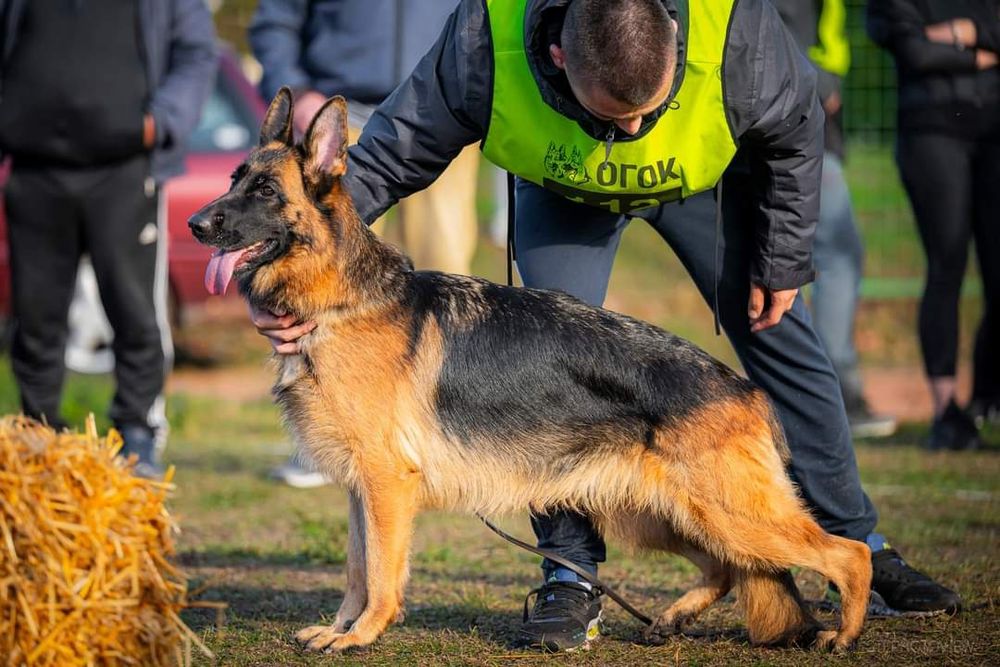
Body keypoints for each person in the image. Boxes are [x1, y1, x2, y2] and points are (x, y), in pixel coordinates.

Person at [251, 0, 963, 650]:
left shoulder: (735, 33)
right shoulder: (483, 37)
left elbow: (797, 126)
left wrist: (781, 257)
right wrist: (302, 282)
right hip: (566, 186)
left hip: (703, 186)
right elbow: (382, 158)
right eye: (614, 114)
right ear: (558, 57)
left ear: (675, 45)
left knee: (782, 335)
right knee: (540, 374)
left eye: (646, 110)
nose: (630, 131)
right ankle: (570, 576)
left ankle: (859, 537)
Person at [249, 0, 481, 488]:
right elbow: (275, 20)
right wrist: (296, 85)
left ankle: (436, 436)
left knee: (441, 290)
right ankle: (326, 436)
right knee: (325, 286)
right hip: (336, 119)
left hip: (441, 116)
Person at [0, 0, 217, 477]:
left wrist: (158, 123)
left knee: (135, 311)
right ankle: (37, 438)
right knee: (34, 320)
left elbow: (197, 52)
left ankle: (137, 435)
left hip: (124, 170)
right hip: (33, 169)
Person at [868, 0, 999, 450]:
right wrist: (980, 44)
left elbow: (927, 45)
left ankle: (986, 398)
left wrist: (952, 32)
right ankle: (946, 410)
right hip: (931, 130)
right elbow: (914, 53)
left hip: (995, 128)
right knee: (947, 264)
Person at [774, 0, 898, 440]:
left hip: (806, 114)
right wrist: (819, 80)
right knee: (833, 256)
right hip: (791, 114)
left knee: (821, 259)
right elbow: (759, 25)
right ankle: (835, 397)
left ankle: (816, 401)